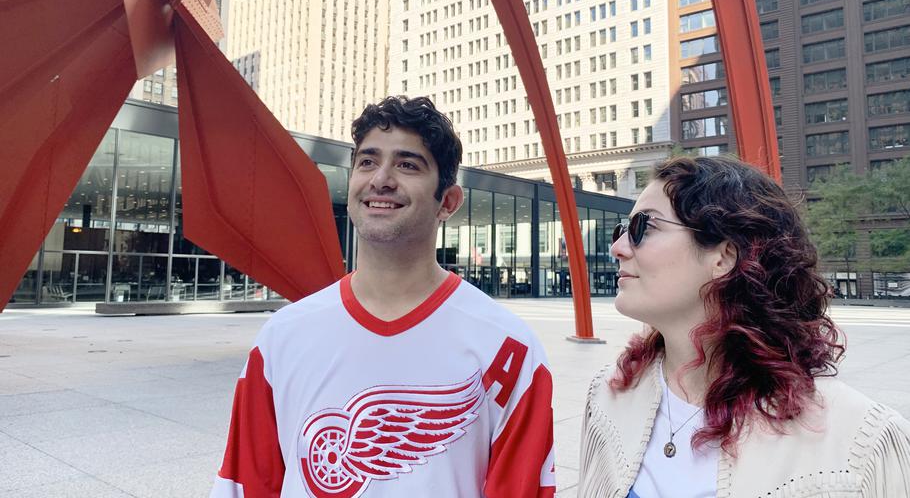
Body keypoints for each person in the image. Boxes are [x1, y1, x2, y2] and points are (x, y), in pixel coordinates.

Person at [211, 96, 556, 497]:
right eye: (368, 161)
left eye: (408, 164)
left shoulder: (510, 349)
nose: (381, 179)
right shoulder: (281, 337)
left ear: (448, 202)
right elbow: (246, 484)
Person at [578, 156, 910, 498]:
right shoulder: (608, 396)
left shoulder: (860, 440)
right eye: (621, 230)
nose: (617, 248)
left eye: (642, 229)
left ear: (724, 256)